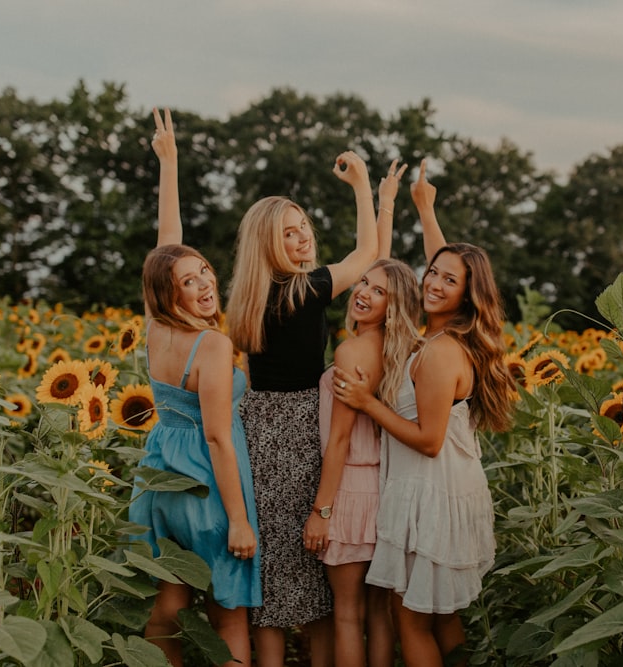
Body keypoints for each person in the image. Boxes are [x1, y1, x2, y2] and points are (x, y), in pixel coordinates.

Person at [333, 159, 513, 667]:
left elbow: (429, 439)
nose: (433, 281)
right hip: (439, 489)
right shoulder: (438, 335)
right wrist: (423, 208)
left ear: (466, 294)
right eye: (432, 272)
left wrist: (368, 404)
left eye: (447, 280)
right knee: (441, 617)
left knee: (408, 618)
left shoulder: (440, 352)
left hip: (429, 493)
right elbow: (451, 261)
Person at [223, 147, 380, 667]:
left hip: (257, 428)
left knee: (270, 586)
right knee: (314, 583)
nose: (303, 236)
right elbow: (367, 256)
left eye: (303, 226)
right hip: (299, 430)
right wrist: (362, 186)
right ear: (269, 245)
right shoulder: (302, 290)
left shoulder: (248, 299)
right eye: (288, 233)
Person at [129, 108, 260, 667]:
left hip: (160, 474)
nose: (206, 283)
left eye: (205, 271)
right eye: (191, 281)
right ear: (172, 292)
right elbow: (219, 438)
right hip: (207, 484)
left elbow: (168, 245)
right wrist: (237, 517)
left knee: (169, 602)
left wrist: (170, 164)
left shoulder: (157, 326)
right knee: (228, 611)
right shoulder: (210, 346)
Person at [301, 162, 410, 667]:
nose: (362, 292)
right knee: (379, 614)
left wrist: (322, 511)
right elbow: (388, 273)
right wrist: (383, 202)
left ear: (392, 305)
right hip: (385, 491)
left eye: (375, 291)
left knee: (345, 613)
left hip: (347, 492)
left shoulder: (350, 353)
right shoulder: (402, 348)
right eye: (361, 283)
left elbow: (339, 441)